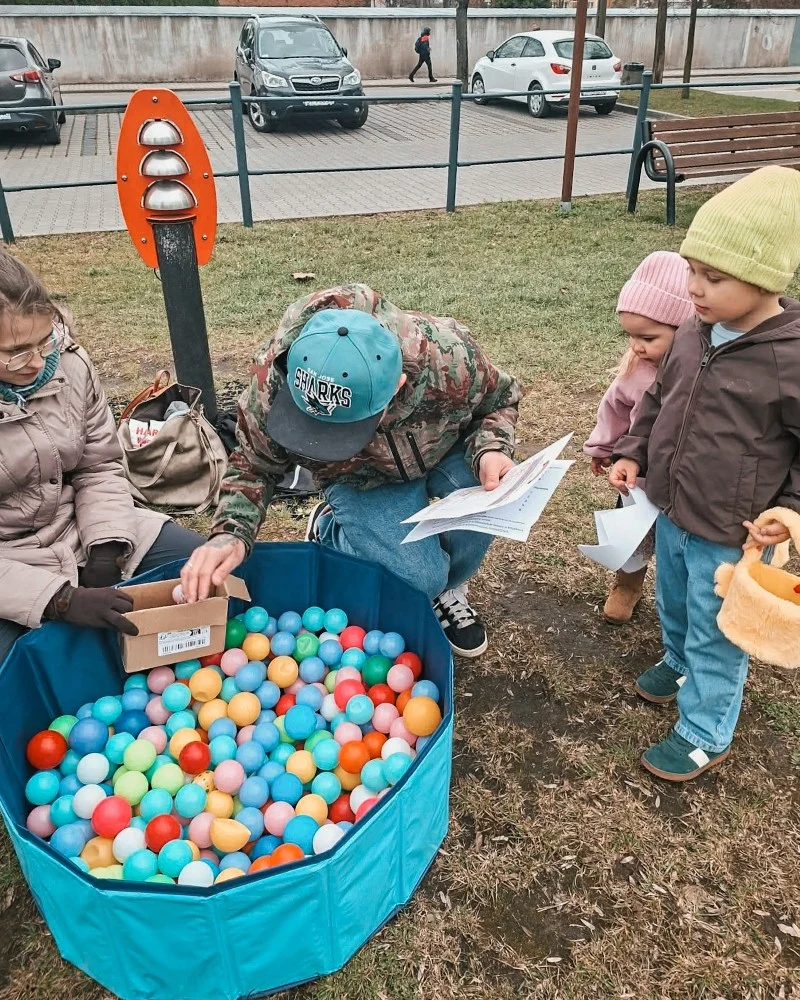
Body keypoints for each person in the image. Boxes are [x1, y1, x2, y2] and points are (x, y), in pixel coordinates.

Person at [180, 284, 520, 658]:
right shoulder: (272, 385)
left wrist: (491, 449)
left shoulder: (450, 358)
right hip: (363, 479)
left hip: (443, 450)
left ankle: (447, 588)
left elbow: (499, 399)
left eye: (346, 426)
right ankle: (334, 530)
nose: (325, 434)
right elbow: (253, 465)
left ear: (398, 385)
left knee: (489, 500)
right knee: (419, 577)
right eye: (313, 425)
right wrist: (230, 534)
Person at [609, 165, 800, 781]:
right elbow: (657, 402)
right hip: (673, 509)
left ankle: (704, 729)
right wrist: (635, 451)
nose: (693, 287)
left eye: (712, 277)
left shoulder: (790, 357)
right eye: (692, 269)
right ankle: (675, 659)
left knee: (720, 630)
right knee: (675, 601)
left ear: (765, 277)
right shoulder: (692, 333)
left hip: (734, 530)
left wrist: (790, 509)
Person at [0, 252, 203, 664]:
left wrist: (106, 547)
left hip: (78, 523)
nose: (39, 362)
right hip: (10, 562)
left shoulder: (69, 364)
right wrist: (59, 600)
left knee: (199, 570)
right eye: (18, 352)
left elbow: (98, 464)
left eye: (44, 340)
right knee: (13, 669)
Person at [584, 251, 694, 625]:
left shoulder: (703, 376)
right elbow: (614, 410)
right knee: (633, 538)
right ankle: (627, 584)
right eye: (630, 335)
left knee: (680, 548)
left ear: (687, 330)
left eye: (648, 337)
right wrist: (604, 447)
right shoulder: (636, 372)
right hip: (639, 482)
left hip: (686, 487)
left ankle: (681, 600)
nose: (636, 345)